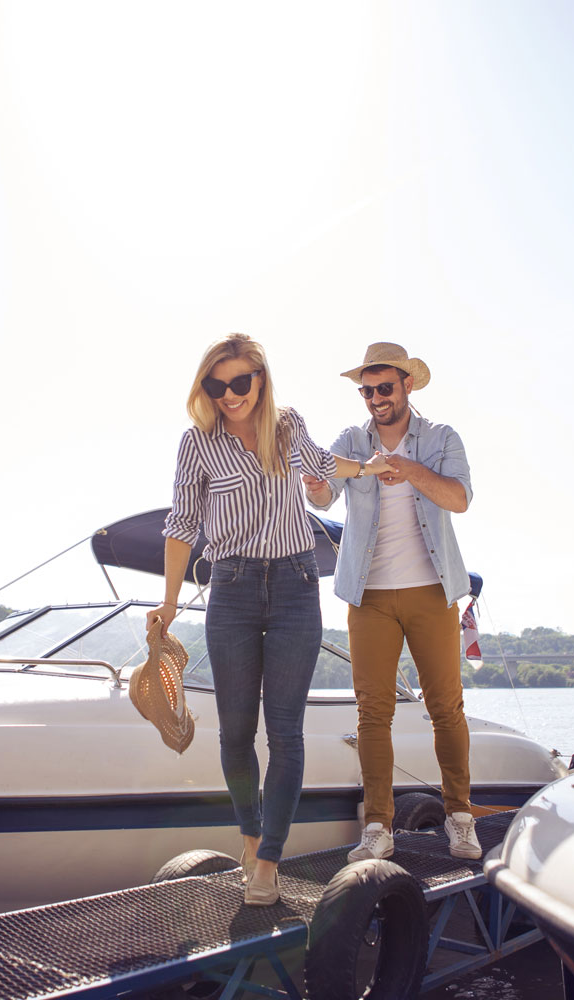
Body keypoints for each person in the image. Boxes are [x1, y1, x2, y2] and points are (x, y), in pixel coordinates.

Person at [149, 333, 391, 906]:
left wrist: (370, 467)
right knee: (235, 732)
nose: (230, 395)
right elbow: (182, 523)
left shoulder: (286, 426)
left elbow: (324, 466)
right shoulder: (197, 444)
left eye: (240, 382)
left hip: (294, 586)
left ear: (260, 377)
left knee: (284, 733)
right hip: (229, 589)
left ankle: (268, 860)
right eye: (217, 384)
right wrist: (166, 600)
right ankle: (251, 835)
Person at [302, 342, 483, 862]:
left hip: (432, 591)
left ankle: (461, 818)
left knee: (446, 708)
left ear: (407, 386)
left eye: (385, 387)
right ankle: (377, 827)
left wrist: (407, 469)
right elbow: (323, 494)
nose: (376, 398)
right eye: (367, 389)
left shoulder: (442, 438)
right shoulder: (351, 441)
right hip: (369, 596)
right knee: (372, 712)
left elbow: (460, 498)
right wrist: (317, 486)